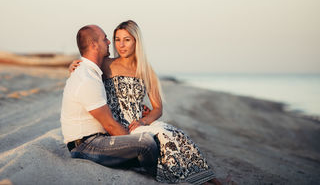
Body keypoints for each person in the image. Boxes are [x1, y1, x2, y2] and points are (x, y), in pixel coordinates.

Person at [70, 20, 220, 185]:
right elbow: (87, 70)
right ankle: (198, 182)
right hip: (118, 126)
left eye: (127, 40)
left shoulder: (146, 70)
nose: (121, 45)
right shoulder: (107, 64)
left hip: (138, 122)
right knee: (163, 137)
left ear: (136, 41)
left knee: (178, 134)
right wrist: (73, 65)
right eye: (117, 39)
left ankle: (212, 179)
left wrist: (144, 120)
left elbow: (158, 108)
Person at [60, 24, 159, 176]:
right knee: (146, 144)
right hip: (87, 145)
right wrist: (133, 140)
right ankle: (158, 177)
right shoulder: (86, 77)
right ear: (94, 45)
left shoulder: (92, 72)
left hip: (99, 140)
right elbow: (110, 125)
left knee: (154, 140)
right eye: (105, 38)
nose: (109, 43)